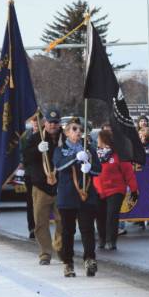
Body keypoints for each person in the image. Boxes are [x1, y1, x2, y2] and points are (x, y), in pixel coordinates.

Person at [52, 117, 102, 277]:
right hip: (67, 196)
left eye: (80, 130)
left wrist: (89, 167)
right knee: (68, 231)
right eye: (74, 129)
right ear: (67, 133)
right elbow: (59, 165)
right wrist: (75, 157)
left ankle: (89, 259)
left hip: (86, 195)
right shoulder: (60, 150)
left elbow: (98, 170)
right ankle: (68, 263)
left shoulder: (89, 149)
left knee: (87, 229)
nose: (78, 132)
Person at [21, 108, 62, 265]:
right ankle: (45, 252)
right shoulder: (35, 138)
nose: (52, 125)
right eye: (50, 122)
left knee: (63, 221)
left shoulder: (64, 138)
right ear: (44, 122)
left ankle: (59, 247)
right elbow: (26, 158)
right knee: (40, 222)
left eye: (55, 123)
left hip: (60, 186)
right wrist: (37, 150)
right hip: (40, 187)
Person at [92, 128, 138, 251]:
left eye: (99, 138)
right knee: (100, 215)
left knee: (112, 214)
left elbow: (128, 173)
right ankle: (102, 238)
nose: (97, 140)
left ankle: (111, 240)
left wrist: (134, 190)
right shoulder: (94, 154)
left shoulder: (119, 155)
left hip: (115, 189)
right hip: (98, 189)